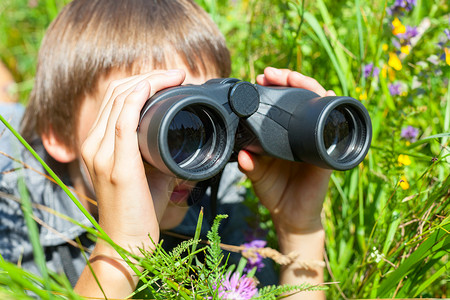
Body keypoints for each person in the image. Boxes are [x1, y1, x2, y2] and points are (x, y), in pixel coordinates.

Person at [0, 1, 335, 299]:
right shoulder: (14, 200)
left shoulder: (221, 182)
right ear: (59, 133)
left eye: (202, 115)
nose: (184, 151)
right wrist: (123, 249)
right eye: (153, 116)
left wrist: (299, 230)